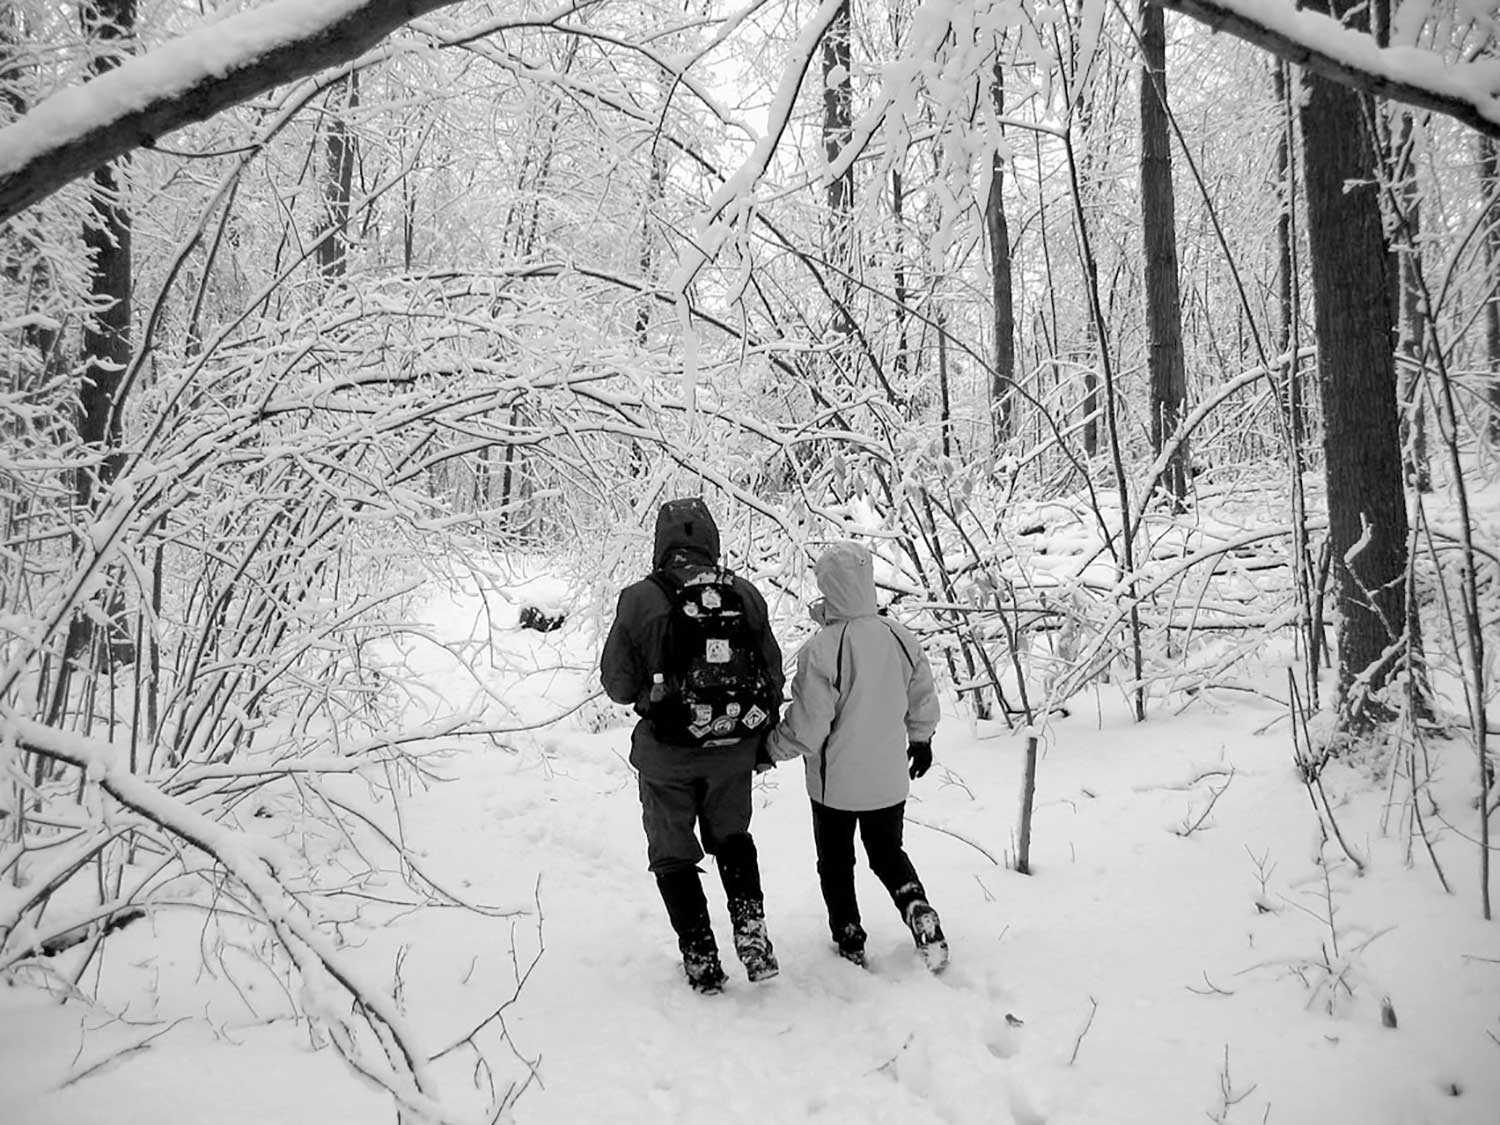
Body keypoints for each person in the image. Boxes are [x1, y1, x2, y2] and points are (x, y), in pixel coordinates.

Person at [600, 498, 786, 993]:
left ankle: (701, 954)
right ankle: (752, 935)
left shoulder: (639, 599)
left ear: (662, 545)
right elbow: (772, 675)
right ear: (711, 540)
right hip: (732, 752)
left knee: (674, 853)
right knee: (732, 839)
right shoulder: (744, 594)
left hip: (666, 754)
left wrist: (653, 691)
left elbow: (617, 685)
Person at [766, 540, 947, 972]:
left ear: (827, 586)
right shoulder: (899, 636)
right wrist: (921, 740)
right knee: (887, 853)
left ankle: (849, 938)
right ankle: (915, 904)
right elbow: (922, 696)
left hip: (836, 787)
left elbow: (809, 726)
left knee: (835, 861)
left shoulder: (824, 648)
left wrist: (770, 748)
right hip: (888, 780)